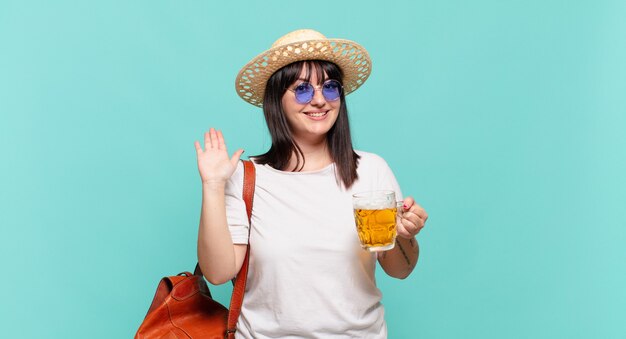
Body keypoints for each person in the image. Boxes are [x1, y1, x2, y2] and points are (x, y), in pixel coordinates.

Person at [194, 29, 428, 338]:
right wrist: (212, 185)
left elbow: (400, 269)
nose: (319, 100)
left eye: (330, 88)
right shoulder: (246, 178)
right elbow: (217, 272)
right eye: (302, 90)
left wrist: (406, 235)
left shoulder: (371, 170)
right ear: (277, 100)